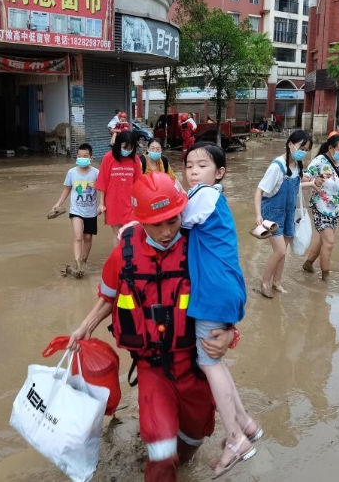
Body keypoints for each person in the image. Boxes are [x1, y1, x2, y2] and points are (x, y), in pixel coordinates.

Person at [67, 171, 236, 481]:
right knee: (161, 454)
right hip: (152, 368)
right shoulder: (125, 253)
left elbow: (224, 297)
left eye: (173, 220)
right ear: (140, 220)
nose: (167, 231)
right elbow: (109, 296)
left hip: (195, 367)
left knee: (193, 441)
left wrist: (229, 334)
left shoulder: (198, 246)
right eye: (157, 224)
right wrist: (85, 326)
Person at [183, 142, 263, 477]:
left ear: (219, 173)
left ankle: (234, 439)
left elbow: (174, 223)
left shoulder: (204, 194)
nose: (193, 171)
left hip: (213, 289)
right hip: (228, 287)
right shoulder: (216, 198)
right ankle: (244, 423)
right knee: (215, 361)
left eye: (201, 165)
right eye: (188, 165)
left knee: (208, 362)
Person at [253, 130, 322, 298]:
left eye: (307, 149)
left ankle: (277, 282)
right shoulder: (277, 167)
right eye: (301, 147)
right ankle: (264, 282)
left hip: (289, 213)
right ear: (290, 144)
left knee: (285, 251)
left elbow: (296, 183)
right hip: (272, 214)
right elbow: (259, 191)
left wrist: (312, 183)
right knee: (280, 251)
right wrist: (258, 215)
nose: (303, 152)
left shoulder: (297, 165)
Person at [302, 134, 339, 281]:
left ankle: (308, 264)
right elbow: (303, 176)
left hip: (335, 209)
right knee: (329, 242)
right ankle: (325, 278)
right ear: (331, 148)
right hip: (321, 207)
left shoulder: (338, 163)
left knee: (323, 240)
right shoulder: (320, 161)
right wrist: (313, 180)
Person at [50, 143, 99, 278]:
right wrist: (58, 203)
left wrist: (104, 205)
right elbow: (67, 189)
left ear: (91, 157)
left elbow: (103, 190)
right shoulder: (72, 172)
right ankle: (78, 264)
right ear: (76, 157)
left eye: (85, 156)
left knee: (87, 237)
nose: (82, 158)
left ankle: (83, 260)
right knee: (78, 237)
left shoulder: (96, 173)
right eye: (79, 156)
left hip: (91, 211)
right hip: (76, 210)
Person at [96, 130, 142, 246]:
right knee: (117, 234)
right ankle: (119, 261)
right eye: (124, 147)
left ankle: (129, 259)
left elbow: (139, 183)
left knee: (130, 232)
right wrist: (101, 204)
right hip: (113, 202)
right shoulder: (108, 158)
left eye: (130, 148)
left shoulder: (135, 159)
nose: (127, 151)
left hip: (130, 203)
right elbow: (102, 182)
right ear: (118, 144)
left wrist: (140, 204)